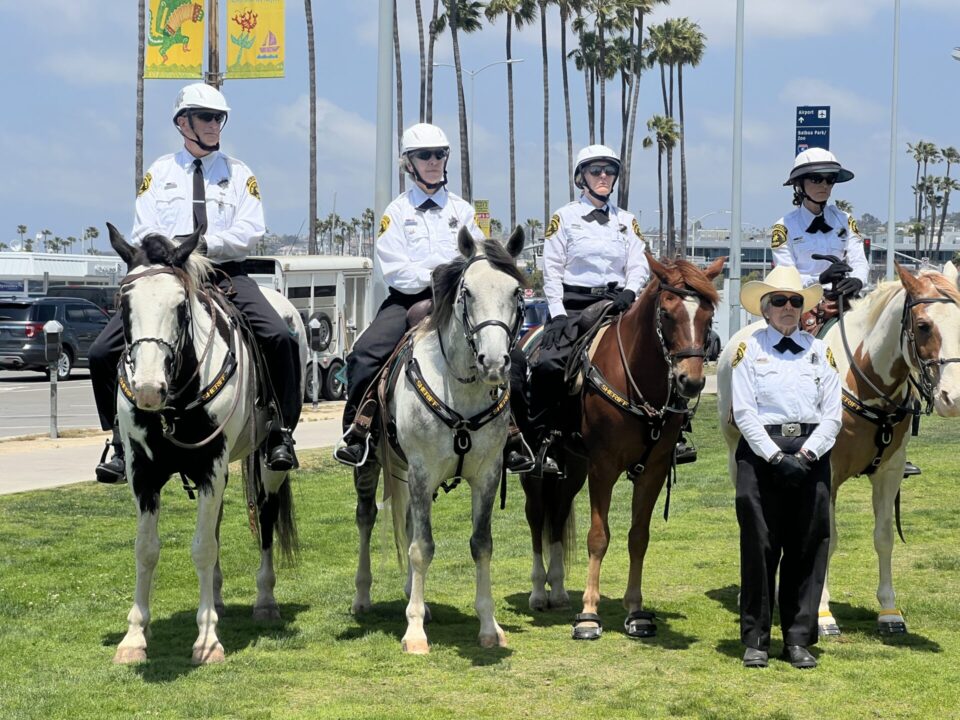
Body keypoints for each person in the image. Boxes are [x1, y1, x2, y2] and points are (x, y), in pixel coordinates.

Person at [91, 82, 301, 482]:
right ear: (183, 122)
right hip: (169, 275)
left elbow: (251, 230)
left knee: (279, 337)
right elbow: (145, 227)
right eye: (206, 117)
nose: (215, 124)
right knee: (102, 351)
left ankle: (279, 430)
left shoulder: (240, 173)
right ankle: (116, 438)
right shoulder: (159, 173)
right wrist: (175, 253)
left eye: (219, 118)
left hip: (224, 274)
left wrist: (203, 245)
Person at [334, 123, 532, 471]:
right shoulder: (395, 213)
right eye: (424, 155)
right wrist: (441, 271)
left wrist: (450, 275)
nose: (433, 161)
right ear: (408, 164)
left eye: (439, 154)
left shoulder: (465, 211)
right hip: (407, 300)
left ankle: (515, 437)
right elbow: (397, 271)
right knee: (366, 354)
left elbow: (478, 263)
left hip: (460, 300)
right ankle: (358, 431)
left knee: (510, 356)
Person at [730, 265, 841, 669]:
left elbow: (833, 413)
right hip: (762, 455)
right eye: (780, 301)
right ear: (765, 308)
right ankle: (756, 638)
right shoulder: (749, 349)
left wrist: (807, 456)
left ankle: (798, 639)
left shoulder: (820, 350)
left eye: (796, 301)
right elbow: (743, 411)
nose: (789, 308)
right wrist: (776, 457)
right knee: (759, 546)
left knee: (808, 546)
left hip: (812, 453)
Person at [521, 144, 649, 471]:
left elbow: (639, 265)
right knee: (549, 364)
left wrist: (631, 292)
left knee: (661, 353)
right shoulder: (563, 218)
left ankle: (668, 436)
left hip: (618, 304)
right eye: (596, 170)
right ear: (582, 177)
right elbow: (551, 268)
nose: (604, 176)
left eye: (609, 171)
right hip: (574, 305)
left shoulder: (627, 221)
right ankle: (541, 440)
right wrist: (558, 313)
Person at [772, 148, 867, 300]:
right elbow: (785, 277)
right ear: (799, 184)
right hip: (803, 302)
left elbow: (859, 260)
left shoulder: (845, 220)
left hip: (844, 299)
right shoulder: (783, 227)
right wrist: (820, 279)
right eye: (816, 179)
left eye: (830, 179)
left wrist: (857, 280)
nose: (824, 185)